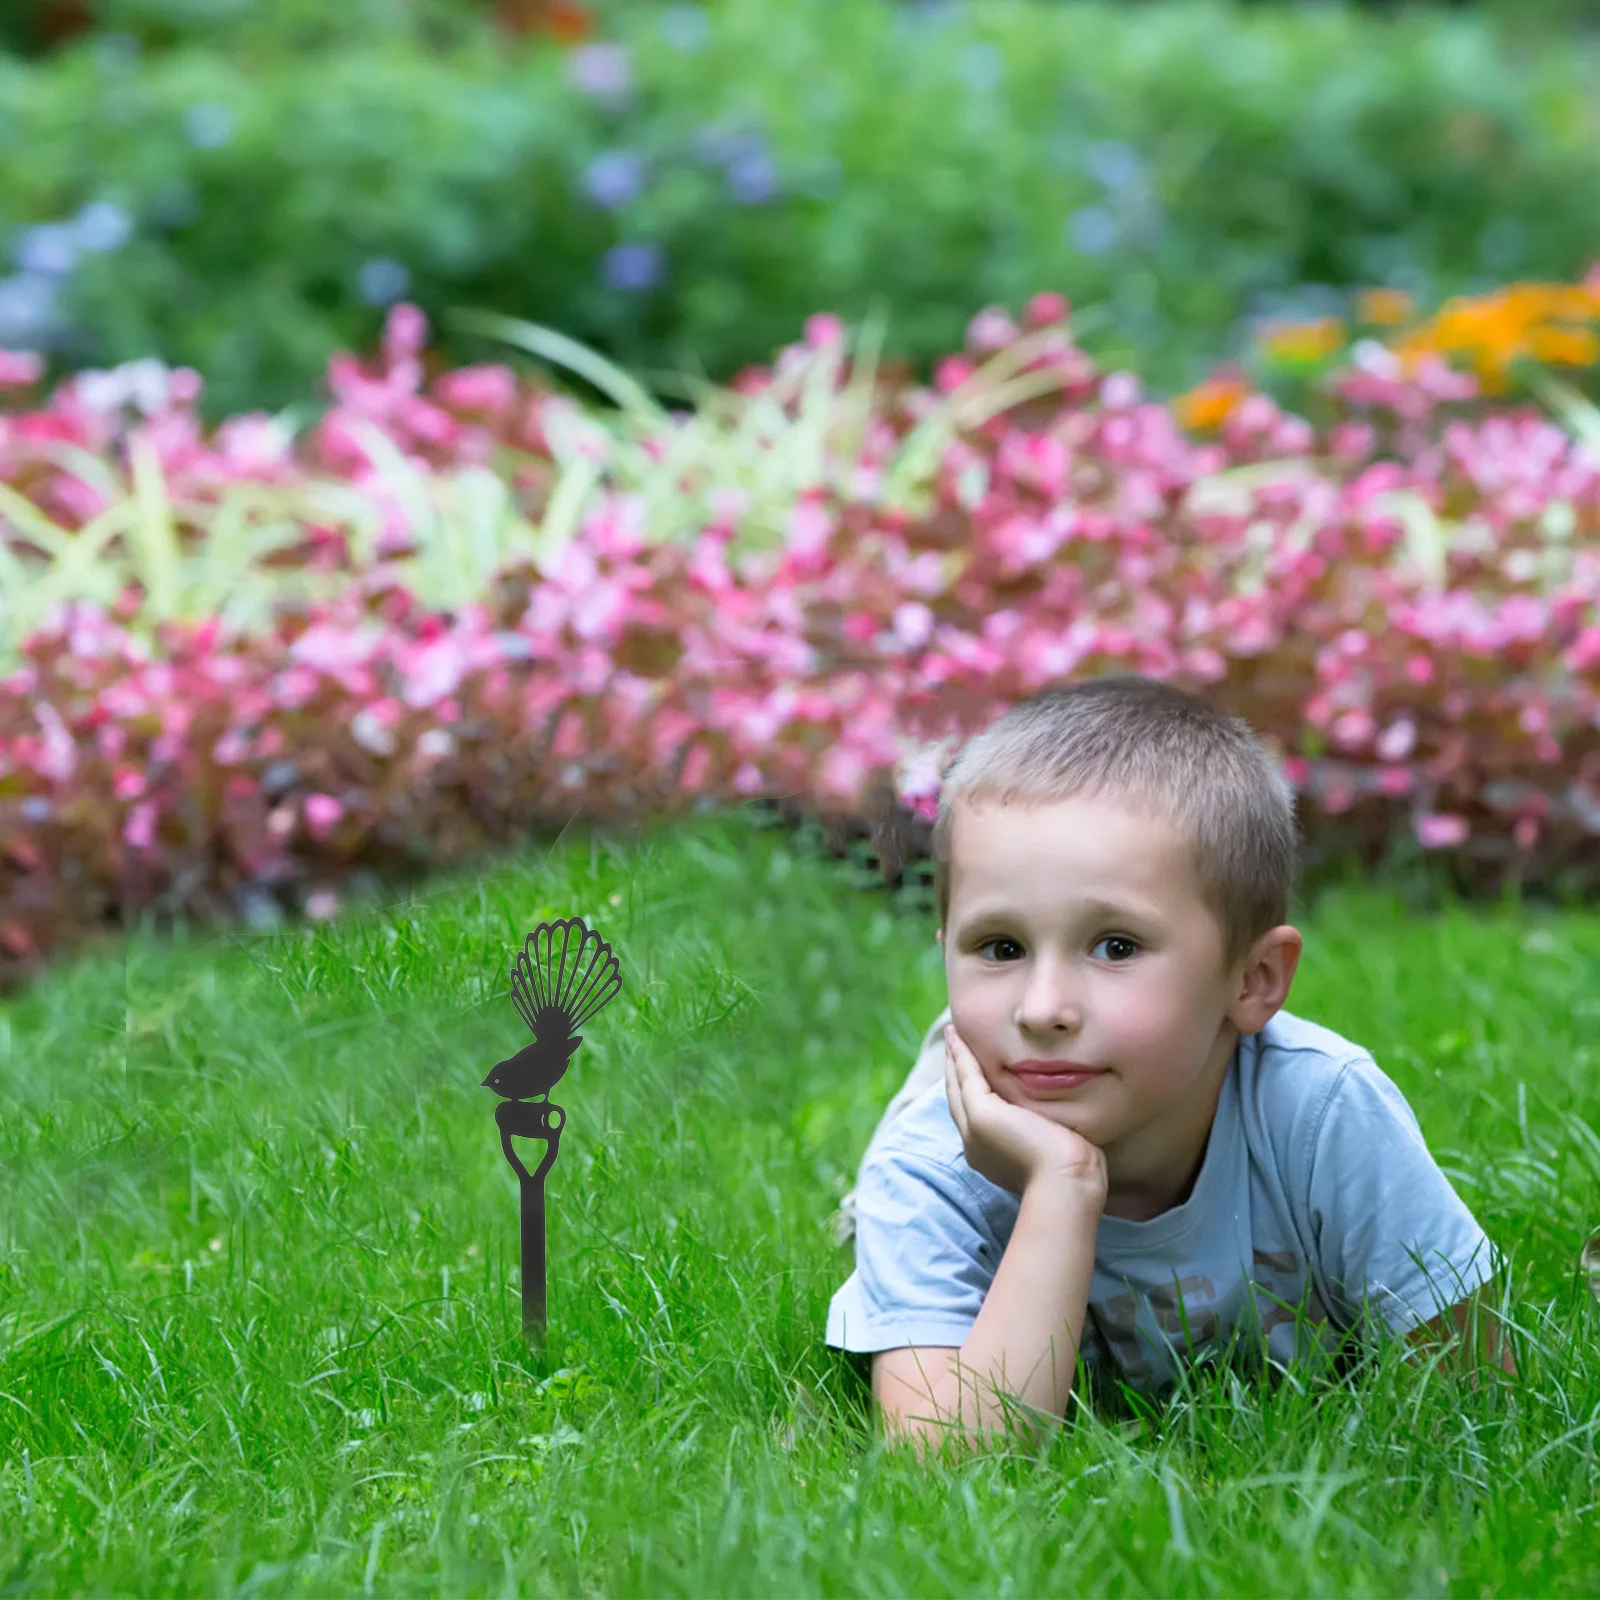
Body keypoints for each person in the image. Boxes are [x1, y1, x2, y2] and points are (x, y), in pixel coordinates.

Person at [825, 675, 1515, 1459]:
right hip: (955, 1153)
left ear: (1252, 980)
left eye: (1115, 947)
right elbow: (945, 1464)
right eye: (1000, 947)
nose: (1043, 1008)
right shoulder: (930, 1165)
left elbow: (1479, 1405)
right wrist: (1061, 1187)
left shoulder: (1325, 1116)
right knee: (884, 1210)